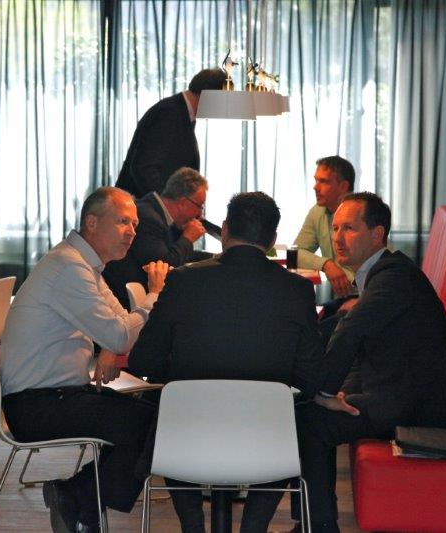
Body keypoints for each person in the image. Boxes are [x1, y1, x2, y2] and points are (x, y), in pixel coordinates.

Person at [130, 192, 323, 533]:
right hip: (267, 442)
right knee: (293, 416)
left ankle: (192, 525)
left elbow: (144, 360)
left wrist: (184, 374)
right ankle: (254, 526)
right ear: (272, 241)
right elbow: (310, 376)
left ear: (224, 229)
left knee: (171, 406)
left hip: (186, 439)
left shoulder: (183, 280)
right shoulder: (298, 290)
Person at [295, 192, 446, 533]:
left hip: (422, 408)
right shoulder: (385, 272)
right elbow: (354, 332)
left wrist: (323, 390)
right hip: (402, 389)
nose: (337, 238)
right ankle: (312, 522)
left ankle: (319, 526)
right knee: (308, 406)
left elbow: (352, 329)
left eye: (349, 228)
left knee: (309, 420)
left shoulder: (394, 277)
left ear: (377, 234)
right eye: (335, 228)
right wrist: (327, 386)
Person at [0, 187, 169, 533]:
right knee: (155, 425)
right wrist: (153, 295)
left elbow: (120, 327)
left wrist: (114, 340)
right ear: (92, 222)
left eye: (134, 225)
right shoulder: (69, 268)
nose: (132, 232)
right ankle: (80, 499)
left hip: (57, 395)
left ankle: (78, 497)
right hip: (37, 406)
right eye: (123, 221)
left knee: (157, 410)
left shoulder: (84, 265)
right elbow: (121, 335)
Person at [104, 167, 213, 309]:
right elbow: (165, 266)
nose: (200, 215)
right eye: (200, 206)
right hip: (124, 304)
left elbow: (177, 253)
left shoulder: (157, 214)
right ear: (183, 203)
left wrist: (213, 257)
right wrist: (188, 238)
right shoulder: (148, 217)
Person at [115, 68, 227, 198]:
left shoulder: (180, 111)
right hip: (140, 206)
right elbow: (144, 168)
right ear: (209, 96)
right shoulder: (169, 113)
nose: (221, 109)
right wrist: (166, 204)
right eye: (221, 102)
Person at [294, 155, 356, 298]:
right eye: (316, 180)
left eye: (323, 181)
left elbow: (372, 271)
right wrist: (326, 264)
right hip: (340, 297)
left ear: (343, 186)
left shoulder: (363, 213)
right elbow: (296, 254)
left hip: (367, 295)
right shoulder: (318, 211)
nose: (315, 187)